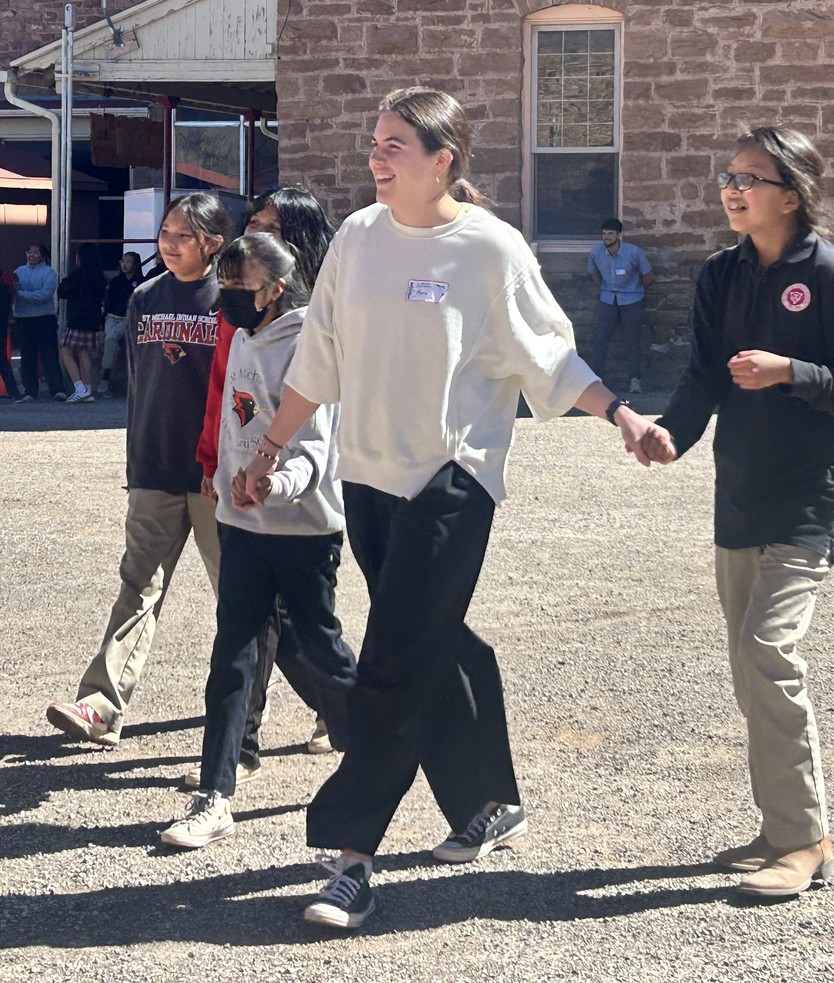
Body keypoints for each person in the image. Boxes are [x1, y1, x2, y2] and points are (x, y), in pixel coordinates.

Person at [241, 86, 656, 930]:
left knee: (392, 659)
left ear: (444, 160)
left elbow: (549, 356)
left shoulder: (490, 249)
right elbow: (319, 356)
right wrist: (270, 448)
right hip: (368, 477)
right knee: (434, 635)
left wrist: (621, 414)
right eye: (375, 142)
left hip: (451, 478)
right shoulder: (358, 237)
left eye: (394, 145)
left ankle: (351, 855)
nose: (376, 157)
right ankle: (488, 799)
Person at [640, 127, 834, 898]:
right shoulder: (721, 273)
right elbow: (704, 374)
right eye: (730, 175)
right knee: (749, 669)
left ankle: (805, 839)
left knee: (766, 649)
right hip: (740, 492)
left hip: (808, 497)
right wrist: (671, 434)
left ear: (792, 195)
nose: (733, 188)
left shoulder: (829, 273)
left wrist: (791, 371)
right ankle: (780, 825)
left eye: (751, 177)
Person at [160, 233, 356, 849]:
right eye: (224, 285)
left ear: (275, 288)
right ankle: (214, 794)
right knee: (233, 656)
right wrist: (222, 477)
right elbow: (236, 418)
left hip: (304, 530)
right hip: (242, 527)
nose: (228, 297)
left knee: (322, 649)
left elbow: (316, 446)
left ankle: (379, 750)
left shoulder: (309, 346)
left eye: (239, 286)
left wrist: (273, 485)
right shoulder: (244, 337)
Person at [46, 193, 231, 746]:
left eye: (183, 235)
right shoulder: (145, 297)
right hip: (153, 465)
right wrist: (135, 455)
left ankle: (325, 702)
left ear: (213, 243)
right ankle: (100, 706)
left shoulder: (232, 298)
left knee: (244, 598)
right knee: (137, 586)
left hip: (215, 473)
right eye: (165, 232)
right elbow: (138, 384)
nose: (169, 244)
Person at [196, 187, 338, 760]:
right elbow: (227, 398)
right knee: (245, 633)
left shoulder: (319, 321)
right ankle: (235, 756)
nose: (255, 236)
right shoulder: (242, 315)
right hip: (245, 499)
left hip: (302, 503)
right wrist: (215, 463)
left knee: (310, 633)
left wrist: (276, 477)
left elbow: (315, 429)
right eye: (252, 224)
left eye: (271, 228)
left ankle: (354, 720)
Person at [586, 217, 654, 394]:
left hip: (631, 299)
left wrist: (637, 291)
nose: (606, 237)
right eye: (604, 234)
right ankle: (597, 380)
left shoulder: (633, 252)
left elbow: (648, 275)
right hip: (607, 298)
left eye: (610, 233)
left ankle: (635, 380)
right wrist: (603, 288)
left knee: (633, 340)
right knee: (601, 339)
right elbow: (593, 273)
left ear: (619, 235)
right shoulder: (596, 252)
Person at [12, 243, 65, 403]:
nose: (31, 255)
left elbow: (45, 294)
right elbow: (11, 290)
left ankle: (57, 390)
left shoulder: (49, 272)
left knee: (49, 355)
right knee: (27, 356)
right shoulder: (18, 271)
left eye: (36, 252)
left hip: (44, 318)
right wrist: (17, 293)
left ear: (43, 256)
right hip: (23, 319)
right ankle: (30, 391)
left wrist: (20, 294)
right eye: (29, 251)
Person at [58, 242, 108, 404]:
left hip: (76, 318)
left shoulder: (77, 275)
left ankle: (79, 388)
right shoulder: (99, 276)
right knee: (83, 352)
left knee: (65, 350)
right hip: (92, 319)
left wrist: (64, 280)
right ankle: (88, 390)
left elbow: (63, 293)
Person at [97, 251, 144, 398]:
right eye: (123, 261)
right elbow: (108, 302)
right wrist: (102, 321)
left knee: (110, 339)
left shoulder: (140, 283)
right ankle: (109, 379)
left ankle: (105, 377)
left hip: (128, 318)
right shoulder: (116, 281)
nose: (124, 265)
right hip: (111, 316)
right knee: (110, 342)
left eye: (128, 262)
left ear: (135, 265)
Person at [0, 269, 19, 400]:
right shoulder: (4, 289)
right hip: (1, 328)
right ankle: (13, 391)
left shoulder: (3, 290)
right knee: (2, 361)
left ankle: (13, 391)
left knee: (2, 361)